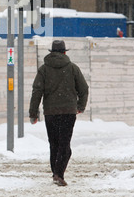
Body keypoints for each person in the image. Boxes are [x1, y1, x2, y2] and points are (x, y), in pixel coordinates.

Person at [29, 40, 89, 186]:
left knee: (54, 144)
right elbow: (84, 89)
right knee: (64, 145)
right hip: (68, 112)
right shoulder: (73, 68)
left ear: (51, 52)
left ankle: (56, 173)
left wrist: (33, 113)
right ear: (64, 52)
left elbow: (37, 91)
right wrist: (80, 106)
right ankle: (59, 173)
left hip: (51, 112)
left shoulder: (43, 69)